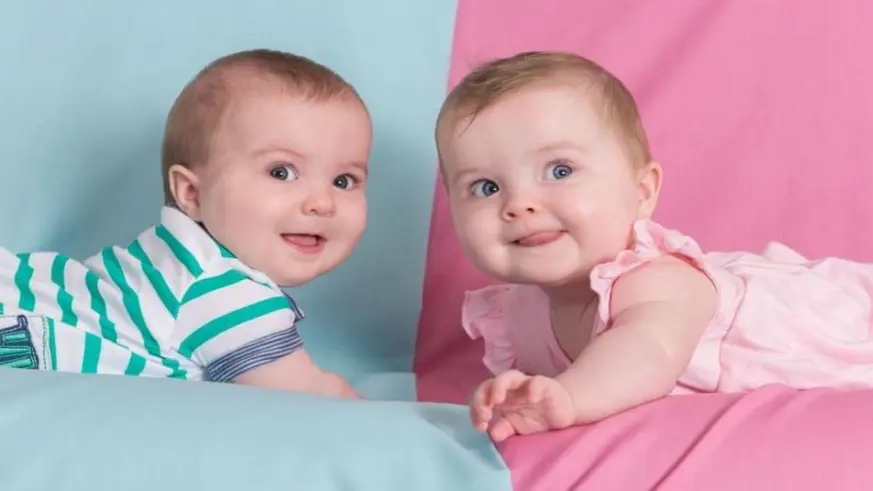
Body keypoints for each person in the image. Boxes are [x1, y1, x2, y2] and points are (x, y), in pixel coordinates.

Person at [435, 50, 873, 441]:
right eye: (486, 187)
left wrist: (568, 398)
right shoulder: (516, 313)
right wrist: (520, 398)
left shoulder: (658, 282)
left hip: (830, 321)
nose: (519, 204)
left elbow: (648, 352)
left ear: (642, 192)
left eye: (560, 171)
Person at [0, 49, 369, 398]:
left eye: (343, 181)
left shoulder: (178, 262)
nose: (323, 203)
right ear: (192, 194)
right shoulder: (222, 290)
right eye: (281, 172)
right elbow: (311, 396)